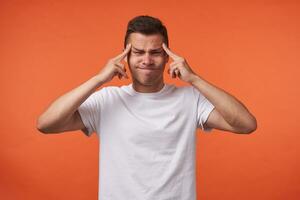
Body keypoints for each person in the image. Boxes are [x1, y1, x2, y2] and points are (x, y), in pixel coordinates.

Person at [37, 15, 257, 200]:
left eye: (155, 52)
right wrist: (98, 79)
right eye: (138, 52)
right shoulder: (107, 100)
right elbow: (46, 124)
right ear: (125, 55)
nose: (147, 60)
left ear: (167, 56)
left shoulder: (190, 99)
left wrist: (195, 79)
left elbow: (246, 125)